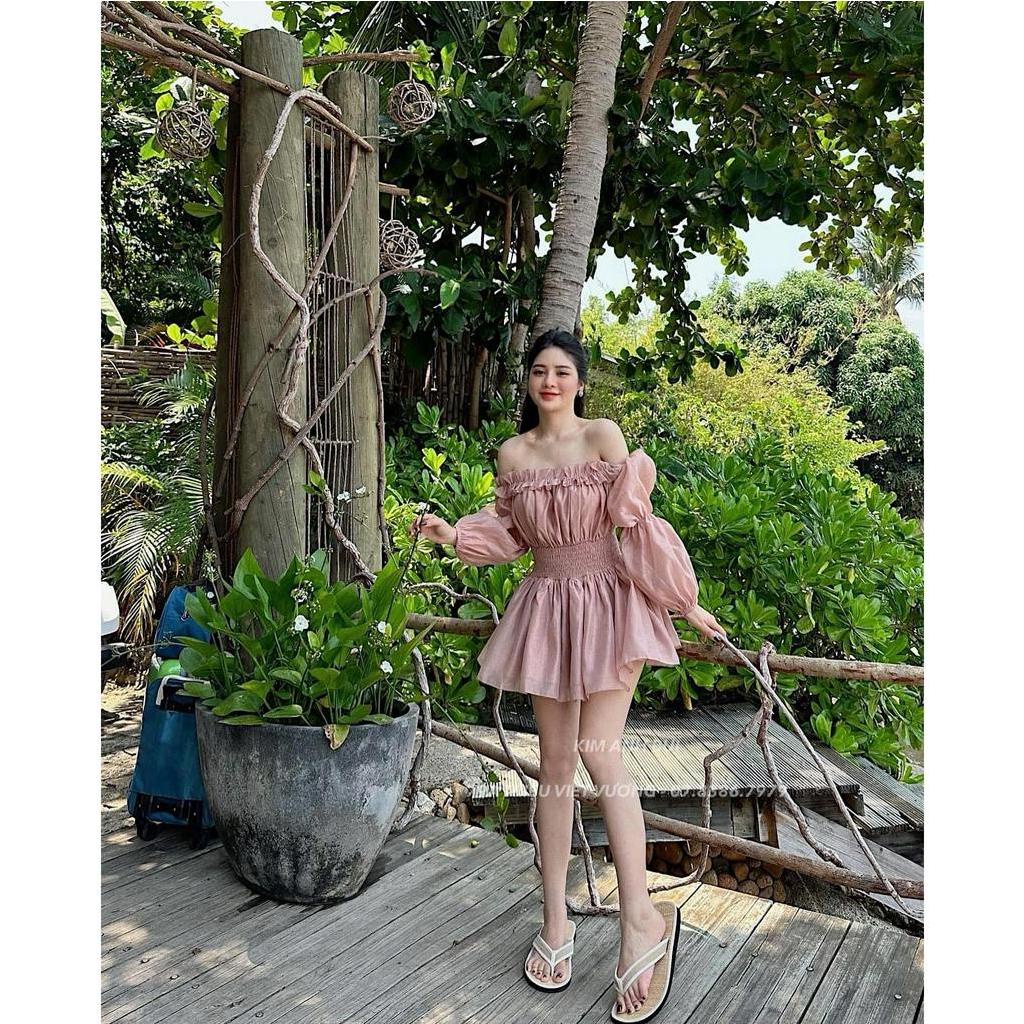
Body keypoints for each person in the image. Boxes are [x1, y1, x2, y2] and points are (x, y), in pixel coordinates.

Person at [409, 328, 726, 1021]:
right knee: (554, 764)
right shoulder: (513, 454)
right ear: (529, 383)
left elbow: (637, 528)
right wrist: (452, 536)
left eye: (561, 371)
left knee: (600, 751)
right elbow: (510, 535)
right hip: (548, 608)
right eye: (538, 371)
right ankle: (555, 919)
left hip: (610, 604)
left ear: (579, 382)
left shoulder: (603, 436)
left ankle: (641, 918)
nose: (549, 381)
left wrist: (687, 604)